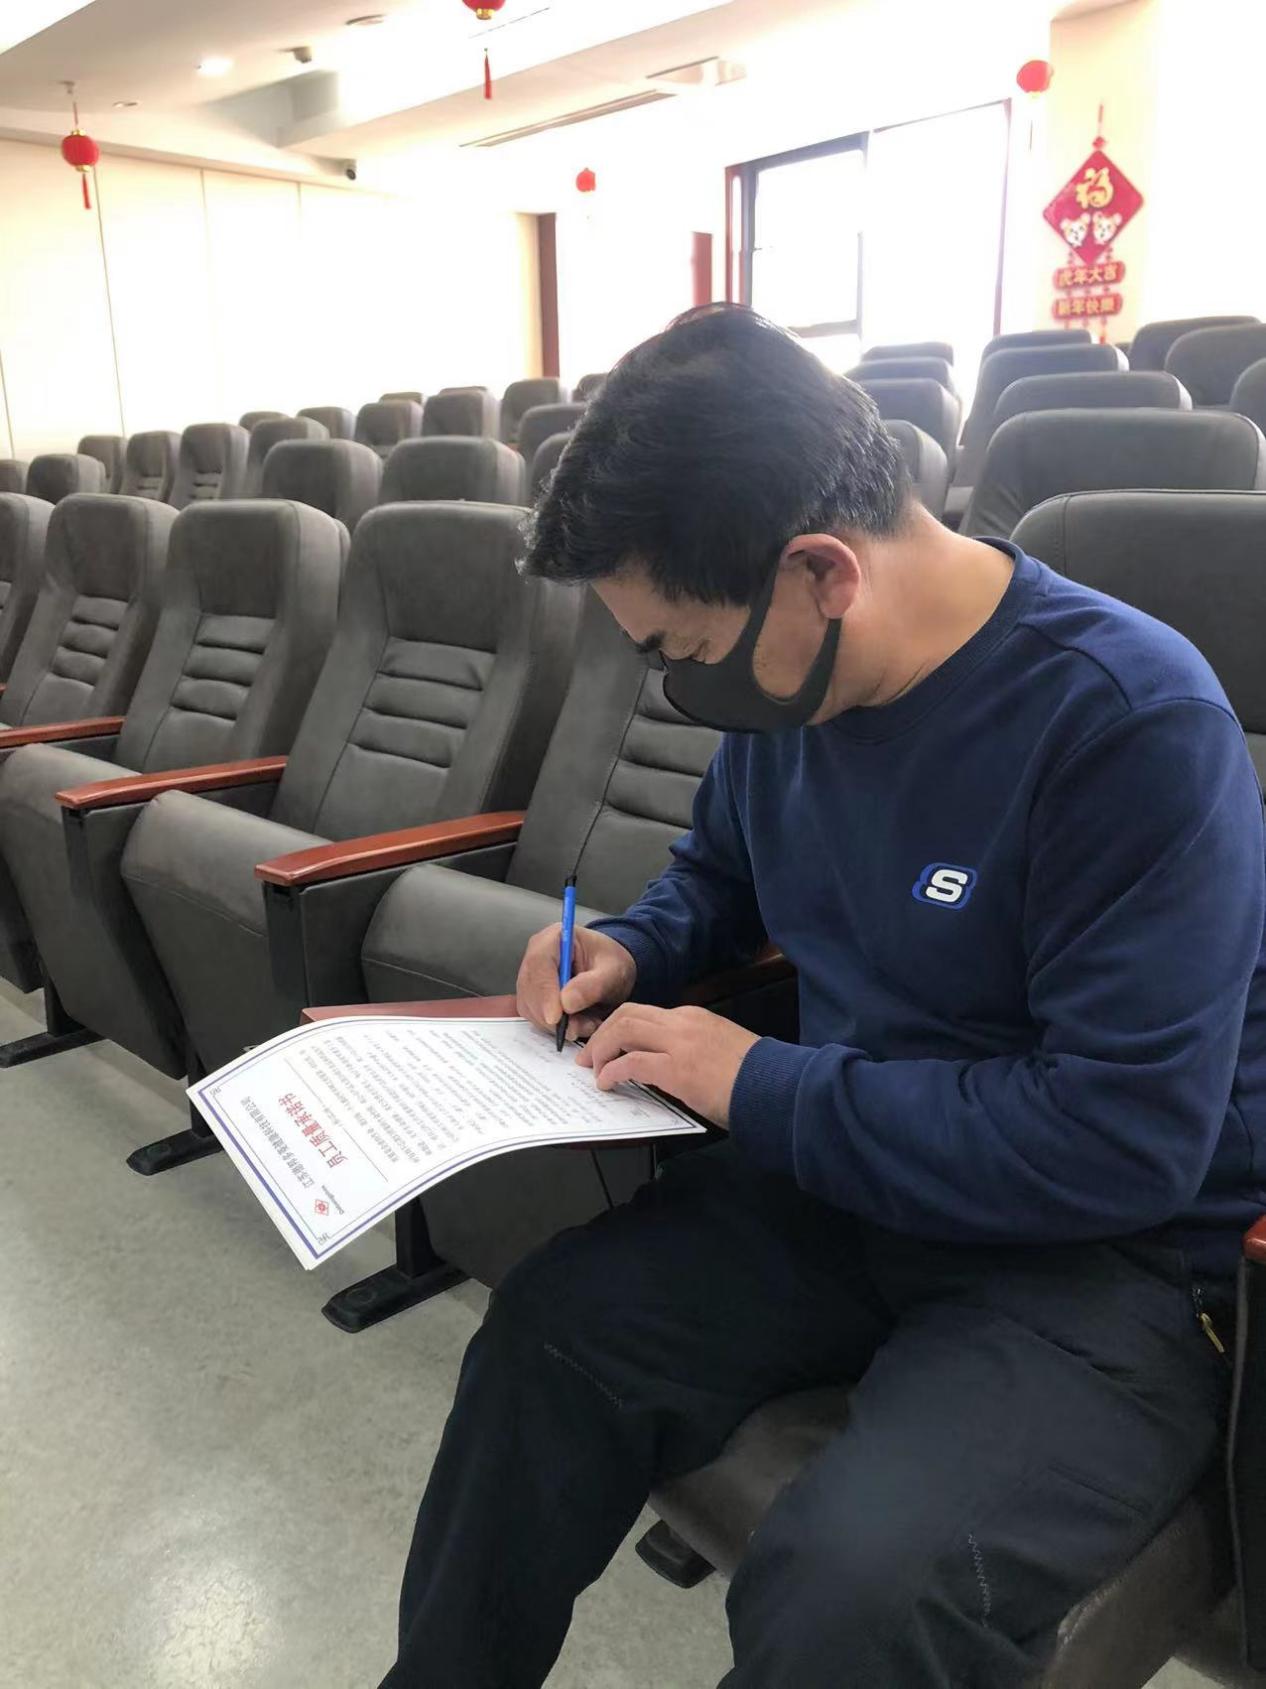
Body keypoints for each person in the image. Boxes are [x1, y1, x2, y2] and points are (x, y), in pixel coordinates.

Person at [378, 306, 1266, 1688]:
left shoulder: (1125, 720)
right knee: (545, 1340)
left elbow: (1120, 1140)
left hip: (1110, 1259)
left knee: (849, 1591)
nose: (673, 686)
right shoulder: (789, 696)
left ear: (822, 572)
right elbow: (718, 877)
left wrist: (754, 1080)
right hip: (858, 1181)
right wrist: (630, 947)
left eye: (680, 648)